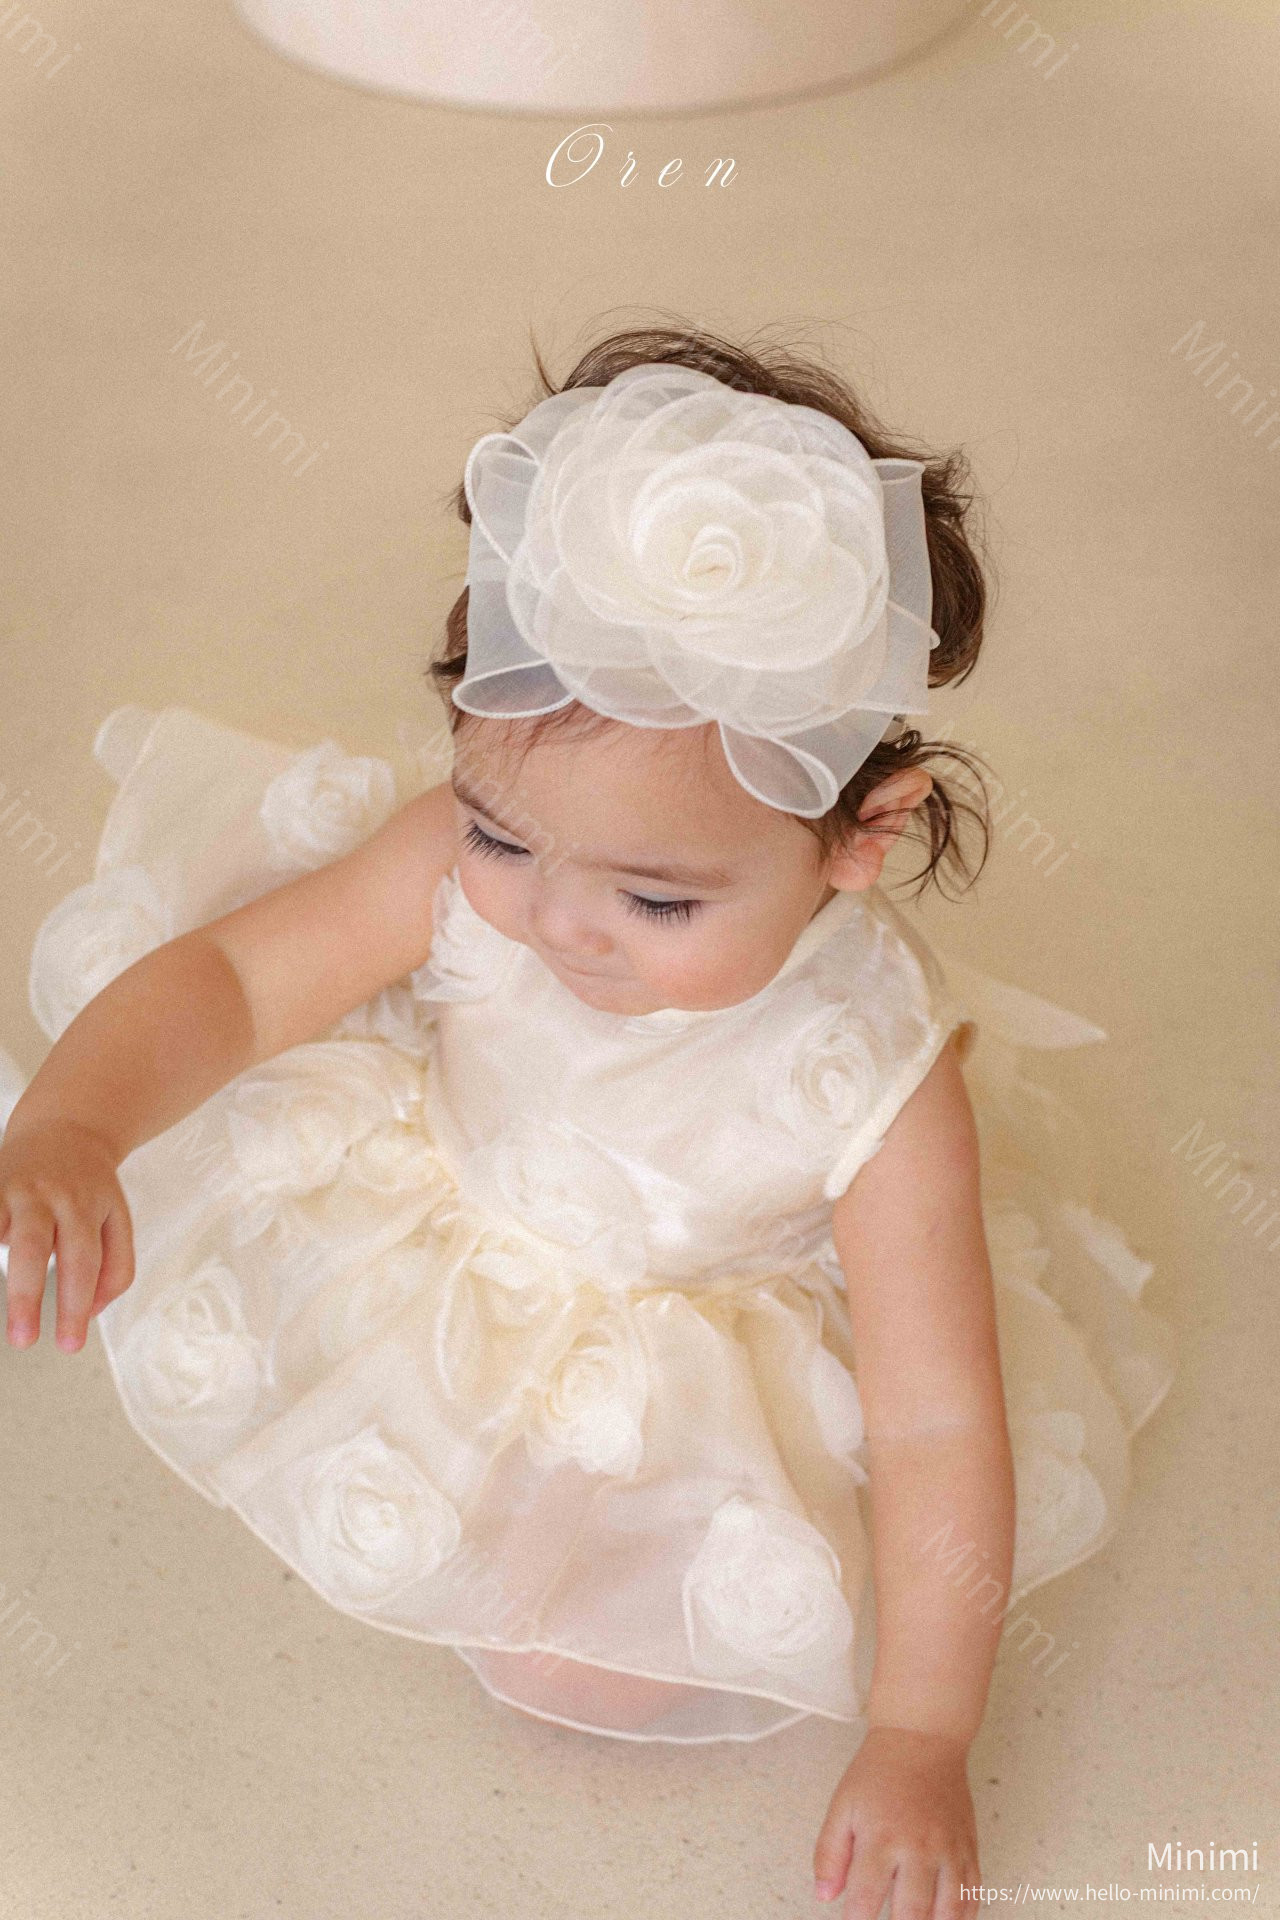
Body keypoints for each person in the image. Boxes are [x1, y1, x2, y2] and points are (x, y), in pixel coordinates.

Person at [0, 327, 1175, 1918]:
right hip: (457, 1211)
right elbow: (234, 978)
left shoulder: (872, 1080)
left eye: (657, 898)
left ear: (862, 839)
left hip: (694, 1325)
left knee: (603, 1656)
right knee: (306, 1388)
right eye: (503, 836)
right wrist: (74, 1125)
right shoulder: (470, 867)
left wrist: (920, 1733)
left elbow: (933, 1425)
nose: (559, 924)